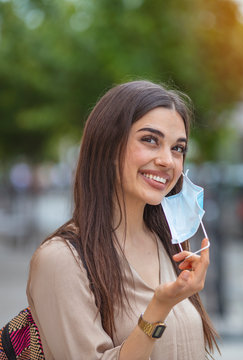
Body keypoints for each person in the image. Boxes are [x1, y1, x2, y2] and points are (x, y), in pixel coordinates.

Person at [26, 80, 219, 359]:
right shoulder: (62, 259)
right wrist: (158, 309)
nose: (168, 160)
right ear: (108, 146)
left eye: (178, 148)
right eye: (150, 140)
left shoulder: (171, 247)